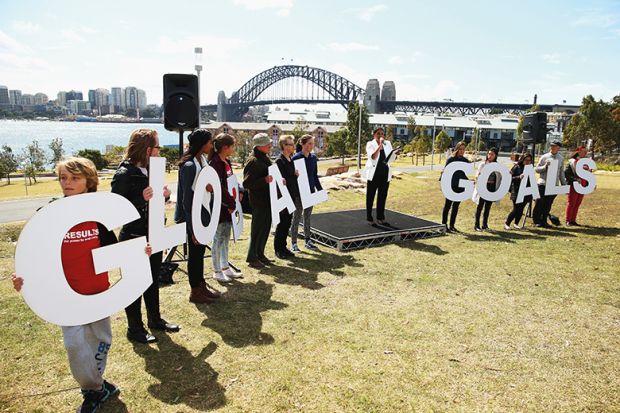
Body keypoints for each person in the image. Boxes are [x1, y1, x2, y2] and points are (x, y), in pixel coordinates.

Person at [11, 157, 150, 413]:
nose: (67, 183)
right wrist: (24, 279)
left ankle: (96, 388)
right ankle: (94, 389)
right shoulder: (49, 214)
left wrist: (139, 252)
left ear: (89, 182)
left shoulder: (97, 218)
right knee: (75, 345)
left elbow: (113, 249)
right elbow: (36, 254)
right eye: (63, 178)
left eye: (75, 178)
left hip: (97, 292)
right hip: (67, 297)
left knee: (100, 341)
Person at [111, 128, 179, 344]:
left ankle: (155, 319)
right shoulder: (125, 173)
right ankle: (135, 328)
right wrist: (141, 198)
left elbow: (155, 203)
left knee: (151, 280)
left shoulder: (152, 170)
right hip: (134, 236)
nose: (161, 150)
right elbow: (115, 209)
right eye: (158, 146)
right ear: (148, 149)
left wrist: (164, 196)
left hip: (154, 233)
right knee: (134, 284)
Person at [174, 129, 222, 303]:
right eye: (210, 142)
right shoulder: (189, 166)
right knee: (194, 254)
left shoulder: (201, 160)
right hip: (193, 215)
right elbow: (186, 198)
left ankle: (201, 284)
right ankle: (195, 291)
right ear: (202, 144)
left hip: (203, 212)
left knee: (200, 252)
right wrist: (192, 227)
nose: (212, 145)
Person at [209, 133, 243, 282]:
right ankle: (216, 270)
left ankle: (225, 266)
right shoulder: (215, 163)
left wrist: (239, 191)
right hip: (221, 206)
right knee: (218, 238)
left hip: (229, 205)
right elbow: (219, 187)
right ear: (225, 147)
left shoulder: (226, 161)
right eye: (232, 146)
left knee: (226, 236)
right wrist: (230, 202)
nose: (233, 149)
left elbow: (231, 182)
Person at [243, 133, 274, 268]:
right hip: (258, 201)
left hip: (267, 200)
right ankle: (252, 257)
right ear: (260, 146)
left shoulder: (264, 158)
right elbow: (247, 184)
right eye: (267, 144)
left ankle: (260, 254)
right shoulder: (254, 161)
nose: (270, 146)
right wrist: (264, 180)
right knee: (257, 229)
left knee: (265, 228)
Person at [291, 134, 322, 251]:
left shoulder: (313, 158)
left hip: (310, 192)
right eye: (309, 143)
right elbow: (291, 177)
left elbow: (314, 175)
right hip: (299, 193)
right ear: (302, 144)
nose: (311, 146)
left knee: (307, 217)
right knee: (297, 217)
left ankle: (307, 240)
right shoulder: (296, 158)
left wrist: (320, 190)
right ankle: (293, 243)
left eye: (312, 143)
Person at [364, 126, 398, 226]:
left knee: (382, 196)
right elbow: (373, 157)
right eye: (378, 134)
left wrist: (395, 155)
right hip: (374, 174)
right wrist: (379, 146)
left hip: (384, 173)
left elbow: (391, 158)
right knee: (370, 196)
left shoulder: (388, 144)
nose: (380, 136)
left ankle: (380, 217)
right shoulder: (370, 144)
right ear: (374, 135)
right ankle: (369, 217)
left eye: (382, 134)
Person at [274, 134, 299, 259]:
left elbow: (290, 177)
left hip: (292, 194)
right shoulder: (280, 161)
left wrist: (295, 175)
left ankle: (284, 247)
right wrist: (291, 176)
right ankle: (278, 249)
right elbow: (281, 180)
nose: (293, 146)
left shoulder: (291, 159)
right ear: (284, 146)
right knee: (282, 223)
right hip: (284, 196)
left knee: (287, 222)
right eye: (291, 144)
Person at [532, 139, 566, 228]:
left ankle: (544, 221)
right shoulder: (544, 157)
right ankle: (536, 221)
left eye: (554, 146)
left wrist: (564, 185)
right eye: (551, 145)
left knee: (548, 205)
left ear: (558, 148)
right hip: (543, 183)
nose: (552, 147)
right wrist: (545, 166)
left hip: (553, 185)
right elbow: (536, 169)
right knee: (539, 203)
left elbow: (561, 173)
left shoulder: (561, 158)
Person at [441, 141, 469, 233]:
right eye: (460, 149)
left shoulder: (465, 160)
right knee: (447, 206)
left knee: (456, 206)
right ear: (457, 149)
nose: (462, 151)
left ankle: (452, 226)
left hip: (460, 186)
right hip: (450, 186)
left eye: (463, 149)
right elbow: (445, 173)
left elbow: (465, 174)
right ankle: (444, 225)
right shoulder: (451, 159)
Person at [473, 147, 501, 231]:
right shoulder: (483, 164)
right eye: (489, 154)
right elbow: (477, 174)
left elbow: (499, 177)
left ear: (495, 155)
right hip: (483, 187)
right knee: (479, 207)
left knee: (487, 208)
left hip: (491, 188)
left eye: (492, 154)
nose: (490, 156)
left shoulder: (497, 166)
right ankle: (476, 225)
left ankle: (484, 225)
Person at [504, 153, 533, 230]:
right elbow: (509, 178)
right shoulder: (516, 167)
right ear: (522, 159)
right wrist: (518, 177)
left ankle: (516, 223)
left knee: (521, 208)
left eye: (529, 160)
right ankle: (507, 223)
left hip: (526, 191)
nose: (528, 162)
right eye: (526, 160)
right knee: (516, 208)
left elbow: (531, 180)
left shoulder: (530, 168)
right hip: (516, 190)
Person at [565, 145, 590, 226]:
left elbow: (588, 174)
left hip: (583, 185)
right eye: (583, 151)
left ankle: (573, 220)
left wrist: (589, 183)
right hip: (574, 185)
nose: (585, 153)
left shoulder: (586, 162)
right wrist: (575, 180)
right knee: (571, 203)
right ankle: (568, 220)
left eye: (586, 151)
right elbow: (567, 174)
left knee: (577, 203)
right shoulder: (572, 161)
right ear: (578, 151)